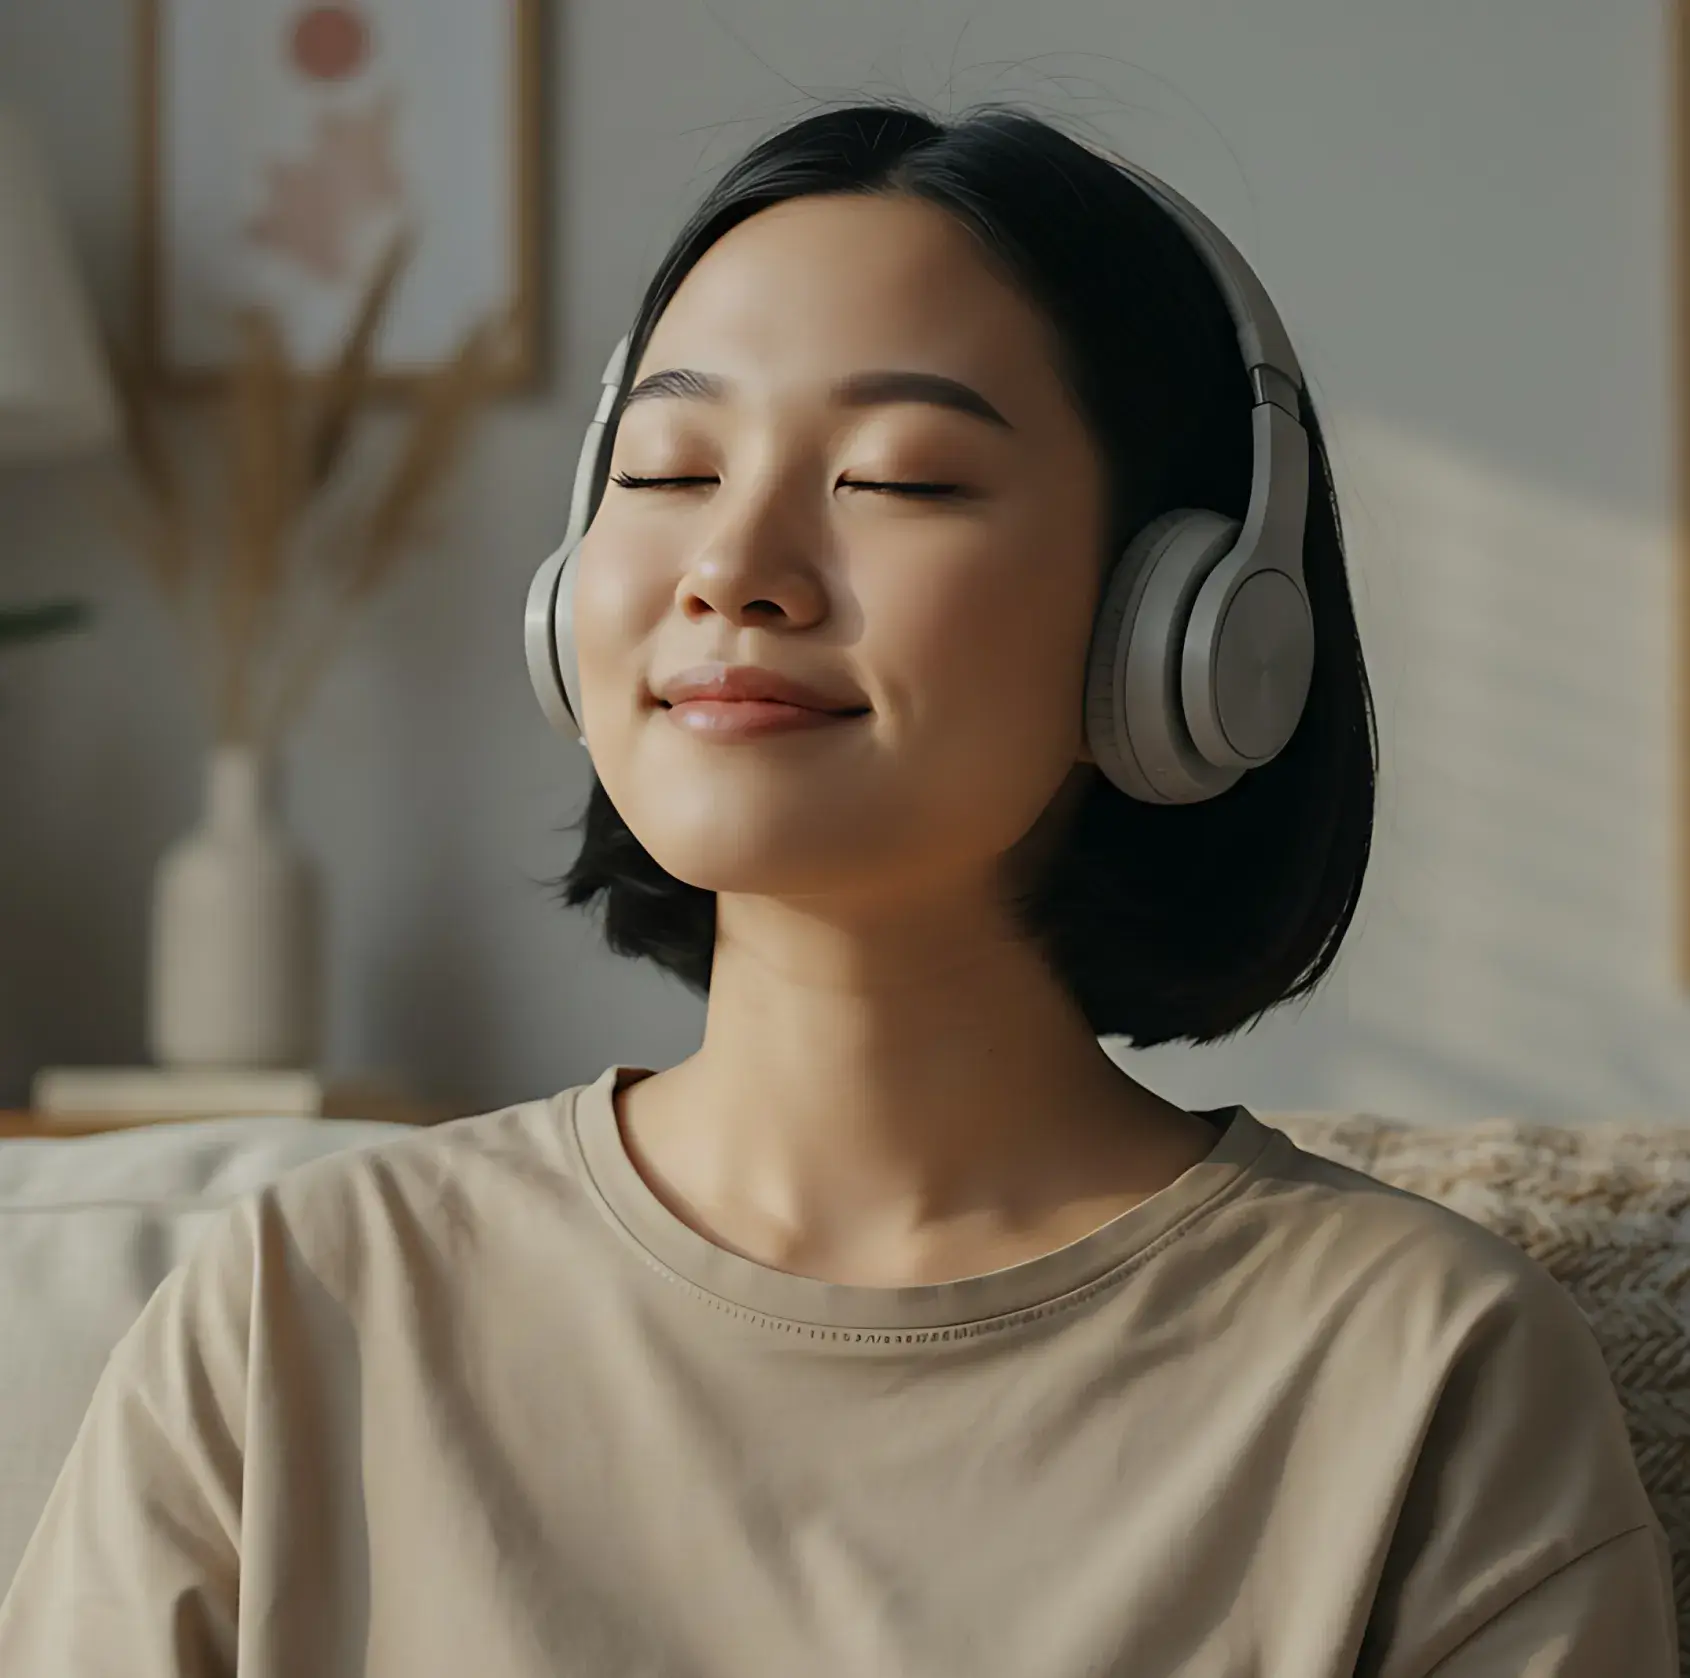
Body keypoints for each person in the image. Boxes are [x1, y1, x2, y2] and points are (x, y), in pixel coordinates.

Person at [0, 100, 1675, 1677]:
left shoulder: (1419, 1376)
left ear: (1188, 627)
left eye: (900, 478)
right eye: (664, 474)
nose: (731, 567)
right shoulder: (298, 1309)